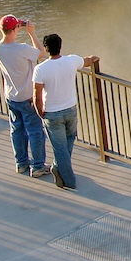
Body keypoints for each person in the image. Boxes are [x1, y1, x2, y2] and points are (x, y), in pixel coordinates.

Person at [32, 33, 98, 191]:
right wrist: (95, 58)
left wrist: (40, 112)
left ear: (46, 49)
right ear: (60, 46)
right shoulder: (72, 60)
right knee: (69, 138)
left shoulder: (40, 69)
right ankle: (62, 171)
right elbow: (88, 61)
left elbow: (37, 95)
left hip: (52, 113)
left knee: (59, 147)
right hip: (70, 109)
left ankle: (67, 181)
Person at [0, 14, 49, 177]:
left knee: (17, 130)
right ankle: (38, 166)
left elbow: (3, 39)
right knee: (35, 131)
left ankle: (21, 163)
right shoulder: (22, 49)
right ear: (15, 29)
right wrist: (31, 32)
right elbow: (40, 53)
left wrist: (17, 26)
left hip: (11, 96)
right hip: (28, 97)